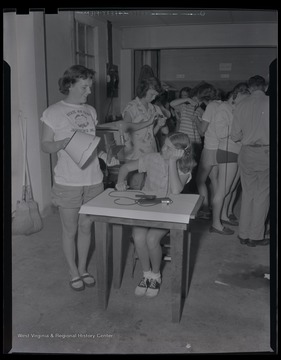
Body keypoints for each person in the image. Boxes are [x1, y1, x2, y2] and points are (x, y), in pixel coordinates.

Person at [41, 65, 105, 291]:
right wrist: (63, 143)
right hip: (68, 181)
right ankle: (73, 271)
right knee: (70, 229)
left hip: (93, 179)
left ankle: (83, 267)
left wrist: (106, 155)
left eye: (90, 86)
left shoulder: (91, 110)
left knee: (87, 226)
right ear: (70, 85)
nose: (89, 91)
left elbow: (91, 143)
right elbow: (45, 146)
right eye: (84, 86)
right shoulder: (53, 112)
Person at [115, 132, 196, 297]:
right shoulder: (152, 158)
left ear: (181, 152)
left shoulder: (185, 167)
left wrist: (172, 161)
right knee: (138, 238)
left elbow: (175, 191)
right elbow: (125, 168)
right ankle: (146, 274)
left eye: (169, 148)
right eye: (164, 145)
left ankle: (156, 275)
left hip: (169, 210)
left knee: (152, 239)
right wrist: (120, 182)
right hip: (148, 205)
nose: (163, 149)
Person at [231, 75, 270, 247]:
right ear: (265, 87)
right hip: (266, 152)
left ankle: (243, 234)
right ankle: (255, 236)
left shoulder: (241, 105)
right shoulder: (271, 102)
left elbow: (234, 135)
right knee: (262, 194)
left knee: (247, 193)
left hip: (246, 152)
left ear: (250, 87)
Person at [209, 83, 250, 235]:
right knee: (222, 190)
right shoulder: (223, 109)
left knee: (231, 188)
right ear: (236, 95)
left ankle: (224, 215)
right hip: (227, 151)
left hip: (237, 151)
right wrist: (238, 132)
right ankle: (215, 224)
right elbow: (220, 133)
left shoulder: (237, 109)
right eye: (243, 99)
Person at [121, 77, 167, 188]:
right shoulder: (132, 106)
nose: (154, 98)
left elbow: (150, 134)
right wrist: (148, 122)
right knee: (136, 185)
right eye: (152, 94)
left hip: (151, 151)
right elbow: (125, 127)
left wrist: (159, 126)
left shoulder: (152, 108)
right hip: (135, 152)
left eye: (156, 95)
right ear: (144, 90)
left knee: (148, 185)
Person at [170, 82, 216, 193]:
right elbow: (172, 104)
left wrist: (200, 113)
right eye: (194, 98)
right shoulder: (184, 107)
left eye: (198, 99)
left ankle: (192, 194)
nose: (196, 100)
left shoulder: (201, 111)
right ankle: (183, 191)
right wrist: (187, 100)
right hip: (183, 144)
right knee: (182, 169)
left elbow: (205, 128)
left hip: (196, 144)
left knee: (194, 173)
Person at [195, 89, 224, 219]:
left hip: (210, 147)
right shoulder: (221, 104)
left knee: (199, 180)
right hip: (220, 147)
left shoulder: (211, 106)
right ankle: (218, 208)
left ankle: (205, 209)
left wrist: (196, 119)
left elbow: (202, 130)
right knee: (215, 179)